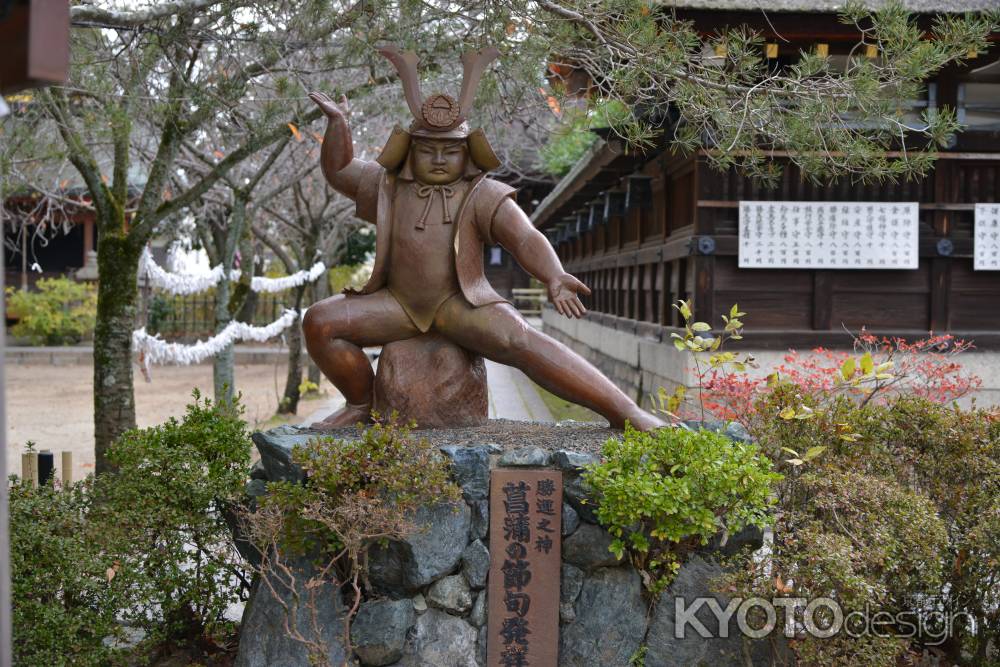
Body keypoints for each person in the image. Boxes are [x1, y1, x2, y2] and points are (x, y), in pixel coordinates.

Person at [302, 45, 664, 431]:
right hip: (397, 303)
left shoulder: (484, 193)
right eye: (427, 150)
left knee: (521, 340)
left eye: (450, 151)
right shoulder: (385, 184)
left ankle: (626, 412)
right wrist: (338, 124)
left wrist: (553, 275)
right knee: (320, 322)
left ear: (468, 153)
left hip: (461, 303)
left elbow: (524, 237)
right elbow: (339, 170)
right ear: (409, 150)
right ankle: (360, 402)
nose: (439, 159)